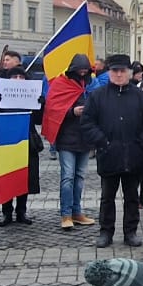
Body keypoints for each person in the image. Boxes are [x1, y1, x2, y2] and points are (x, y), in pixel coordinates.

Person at [78, 54, 143, 249]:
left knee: (131, 197)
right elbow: (87, 122)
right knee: (107, 197)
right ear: (109, 72)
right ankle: (106, 231)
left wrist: (140, 142)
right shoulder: (98, 95)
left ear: (129, 73)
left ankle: (130, 232)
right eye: (115, 71)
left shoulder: (140, 96)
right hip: (108, 154)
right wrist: (102, 141)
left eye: (122, 71)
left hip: (133, 155)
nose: (119, 74)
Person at [0, 50, 43, 227]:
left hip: (26, 140)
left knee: (24, 178)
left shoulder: (30, 95)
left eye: (21, 78)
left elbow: (38, 120)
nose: (18, 80)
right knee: (7, 178)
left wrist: (40, 103)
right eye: (14, 77)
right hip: (6, 140)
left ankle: (21, 211)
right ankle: (7, 213)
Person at [48, 53, 97, 230]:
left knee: (80, 177)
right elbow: (53, 109)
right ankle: (66, 214)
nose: (83, 74)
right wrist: (72, 112)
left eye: (86, 71)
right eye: (80, 71)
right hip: (66, 139)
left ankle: (77, 212)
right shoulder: (61, 84)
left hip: (85, 139)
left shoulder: (92, 85)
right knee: (67, 177)